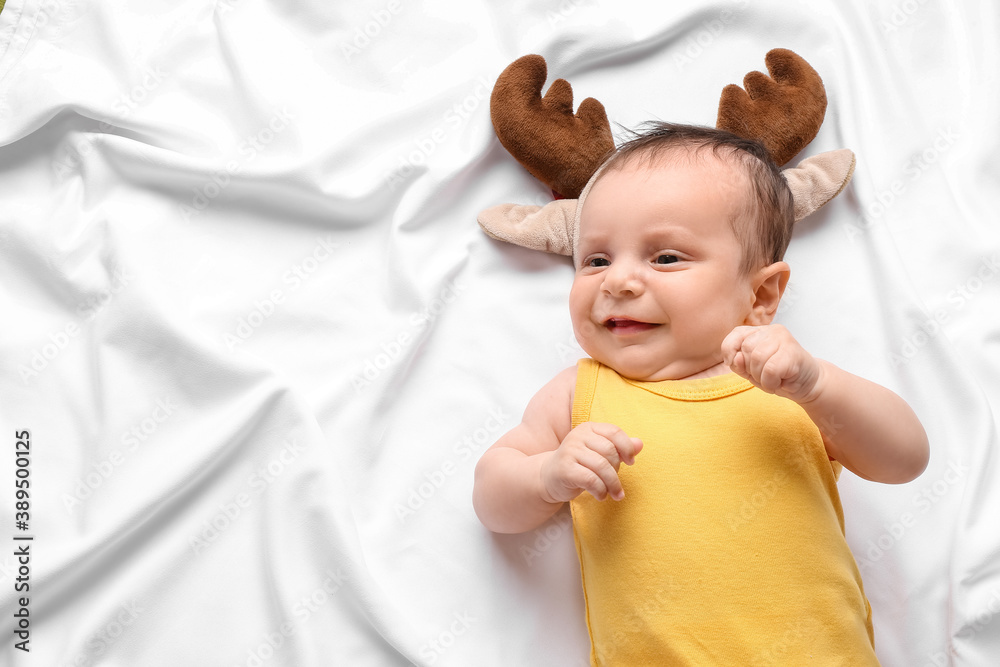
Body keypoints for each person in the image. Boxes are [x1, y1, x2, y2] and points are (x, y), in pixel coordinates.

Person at [472, 123, 929, 665]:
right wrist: (546, 476)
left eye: (665, 258)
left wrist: (820, 386)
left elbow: (906, 459)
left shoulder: (786, 382)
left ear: (760, 294)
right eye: (595, 260)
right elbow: (492, 498)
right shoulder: (583, 391)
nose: (617, 281)